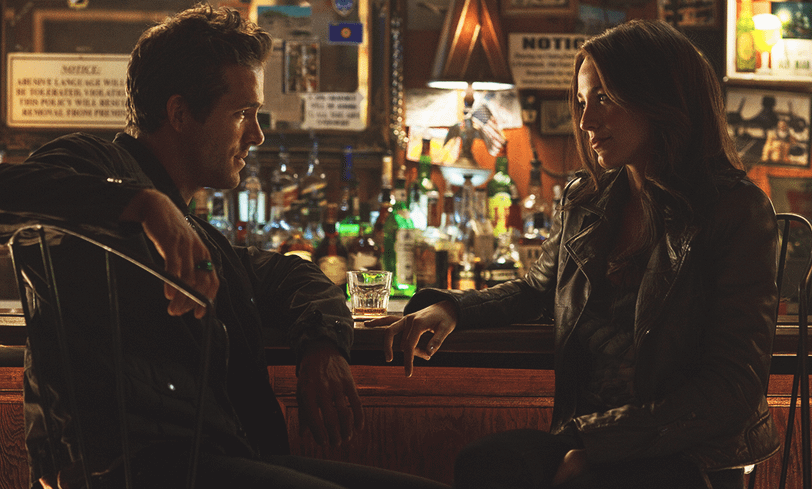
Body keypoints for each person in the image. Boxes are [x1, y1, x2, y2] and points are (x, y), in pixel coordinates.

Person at [0, 4, 449, 489]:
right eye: (241, 114)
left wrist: (322, 344)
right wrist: (143, 205)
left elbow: (295, 275)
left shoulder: (204, 238)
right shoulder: (93, 161)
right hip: (132, 471)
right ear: (179, 114)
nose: (256, 135)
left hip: (218, 459)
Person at [369, 20, 781, 489]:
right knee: (486, 462)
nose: (586, 123)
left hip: (689, 453)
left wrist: (598, 447)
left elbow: (733, 387)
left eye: (603, 98)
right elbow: (536, 289)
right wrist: (451, 308)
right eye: (583, 103)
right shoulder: (589, 198)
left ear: (659, 97)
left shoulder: (736, 208)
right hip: (589, 430)